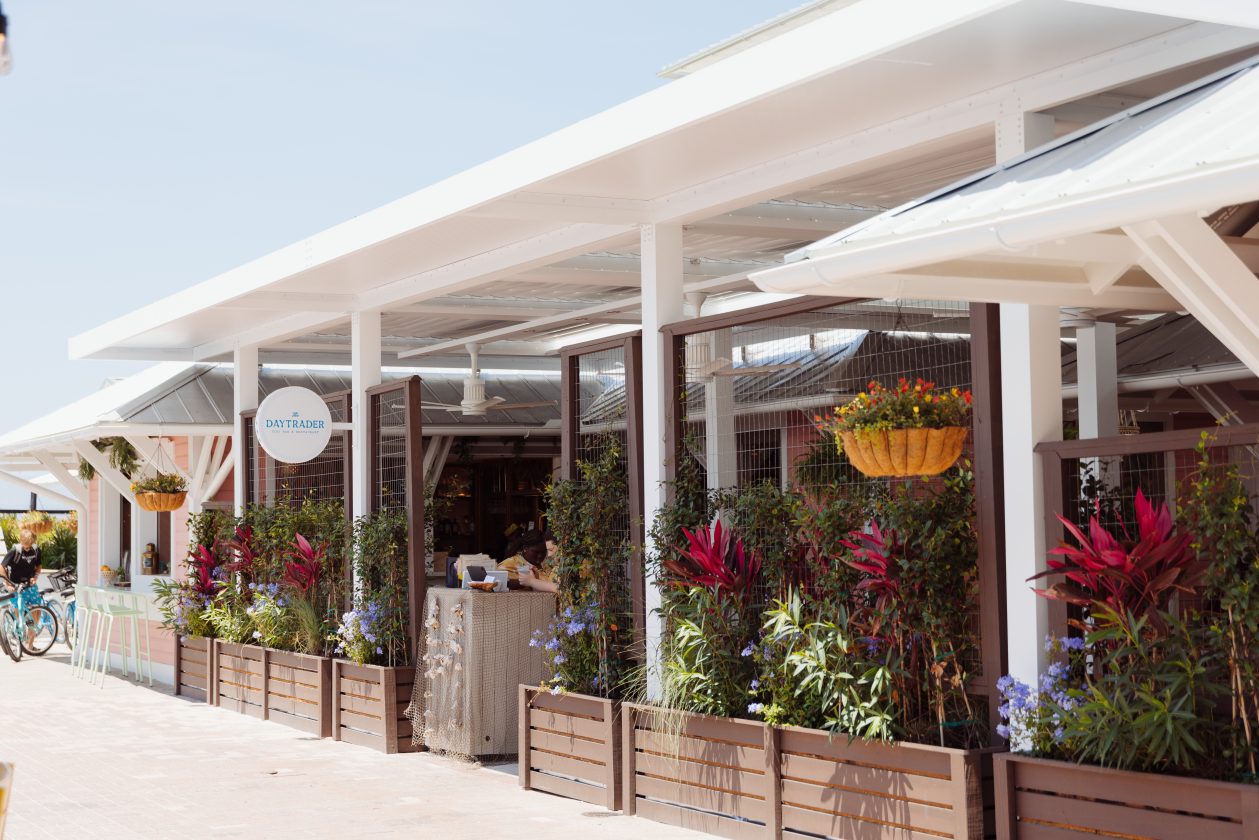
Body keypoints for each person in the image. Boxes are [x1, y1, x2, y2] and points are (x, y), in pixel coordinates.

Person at [1, 528, 43, 645]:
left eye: (29, 544)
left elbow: (38, 566)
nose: (27, 547)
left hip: (30, 586)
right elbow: (2, 567)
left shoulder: (36, 550)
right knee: (18, 614)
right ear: (21, 541)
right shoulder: (15, 551)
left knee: (37, 611)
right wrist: (8, 583)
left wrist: (35, 576)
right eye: (25, 545)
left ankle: (30, 644)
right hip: (16, 585)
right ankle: (18, 639)